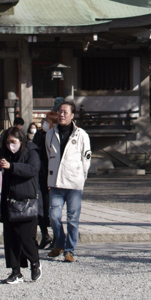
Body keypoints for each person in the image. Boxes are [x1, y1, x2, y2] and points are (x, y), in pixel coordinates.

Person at [0, 126, 41, 285]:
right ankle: (15, 271)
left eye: (14, 141)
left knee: (25, 237)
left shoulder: (31, 152)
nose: (11, 145)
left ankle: (35, 262)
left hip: (26, 202)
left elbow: (33, 169)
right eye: (8, 142)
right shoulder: (3, 154)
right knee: (10, 239)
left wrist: (12, 167)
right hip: (8, 201)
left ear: (21, 141)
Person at [46, 99, 91, 262]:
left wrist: (81, 178)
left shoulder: (81, 135)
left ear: (72, 115)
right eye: (60, 111)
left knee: (73, 218)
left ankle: (69, 249)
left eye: (65, 112)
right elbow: (48, 155)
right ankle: (59, 242)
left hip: (74, 183)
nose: (61, 114)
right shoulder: (50, 133)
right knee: (54, 216)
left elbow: (87, 158)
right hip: (56, 182)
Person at [33, 111, 58, 250]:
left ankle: (56, 236)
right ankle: (44, 235)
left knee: (51, 209)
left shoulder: (54, 136)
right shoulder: (39, 135)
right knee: (40, 207)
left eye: (47, 121)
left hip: (51, 175)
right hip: (39, 174)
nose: (44, 123)